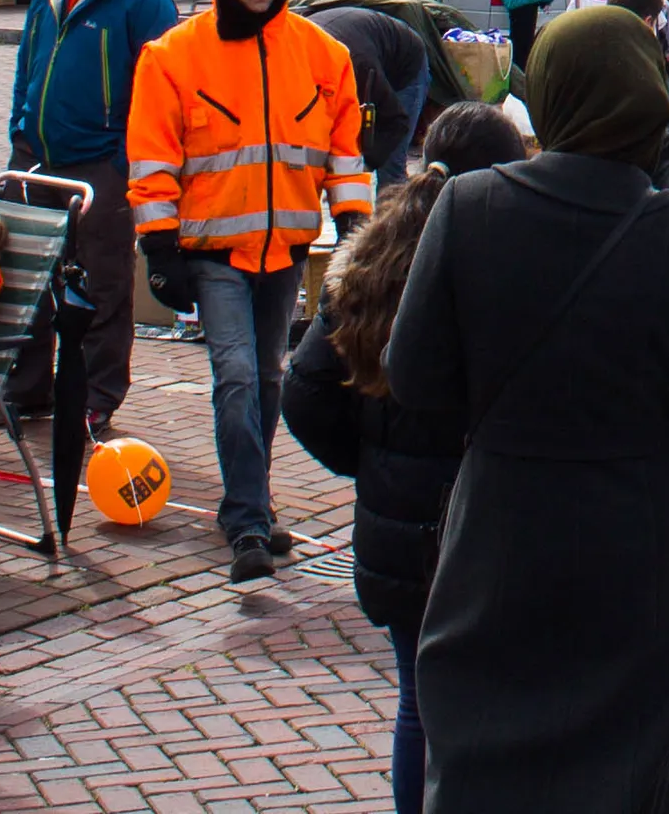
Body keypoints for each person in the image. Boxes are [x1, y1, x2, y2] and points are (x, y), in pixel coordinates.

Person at [387, 7, 669, 814]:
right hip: (639, 531)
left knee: (481, 761)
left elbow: (412, 377)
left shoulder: (470, 205)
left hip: (502, 524)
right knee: (623, 769)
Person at [283, 101, 532, 814]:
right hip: (479, 526)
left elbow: (305, 395)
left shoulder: (370, 258)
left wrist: (371, 463)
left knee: (419, 704)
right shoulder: (496, 266)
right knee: (490, 702)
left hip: (397, 534)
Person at [127, 0, 372, 579]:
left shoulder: (323, 54)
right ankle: (245, 522)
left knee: (266, 380)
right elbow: (151, 156)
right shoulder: (173, 56)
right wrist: (158, 245)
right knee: (236, 378)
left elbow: (345, 149)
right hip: (212, 253)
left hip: (286, 251)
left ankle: (253, 506)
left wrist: (353, 225)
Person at [3, 0, 175, 463]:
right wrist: (19, 129)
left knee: (102, 285)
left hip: (103, 161)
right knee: (24, 274)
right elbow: (28, 60)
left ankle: (98, 395)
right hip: (36, 152)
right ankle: (25, 387)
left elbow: (162, 91)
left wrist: (130, 164)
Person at [312, 0, 436, 188]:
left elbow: (395, 120)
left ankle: (394, 214)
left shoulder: (356, 64)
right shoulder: (294, 54)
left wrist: (368, 161)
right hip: (361, 37)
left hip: (405, 65)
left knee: (390, 167)